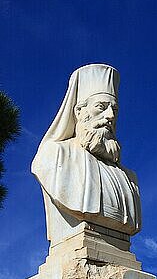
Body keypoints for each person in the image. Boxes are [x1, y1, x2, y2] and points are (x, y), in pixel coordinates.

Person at [32, 63, 141, 244]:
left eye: (114, 109)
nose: (110, 116)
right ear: (80, 111)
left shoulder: (130, 178)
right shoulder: (54, 155)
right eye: (101, 106)